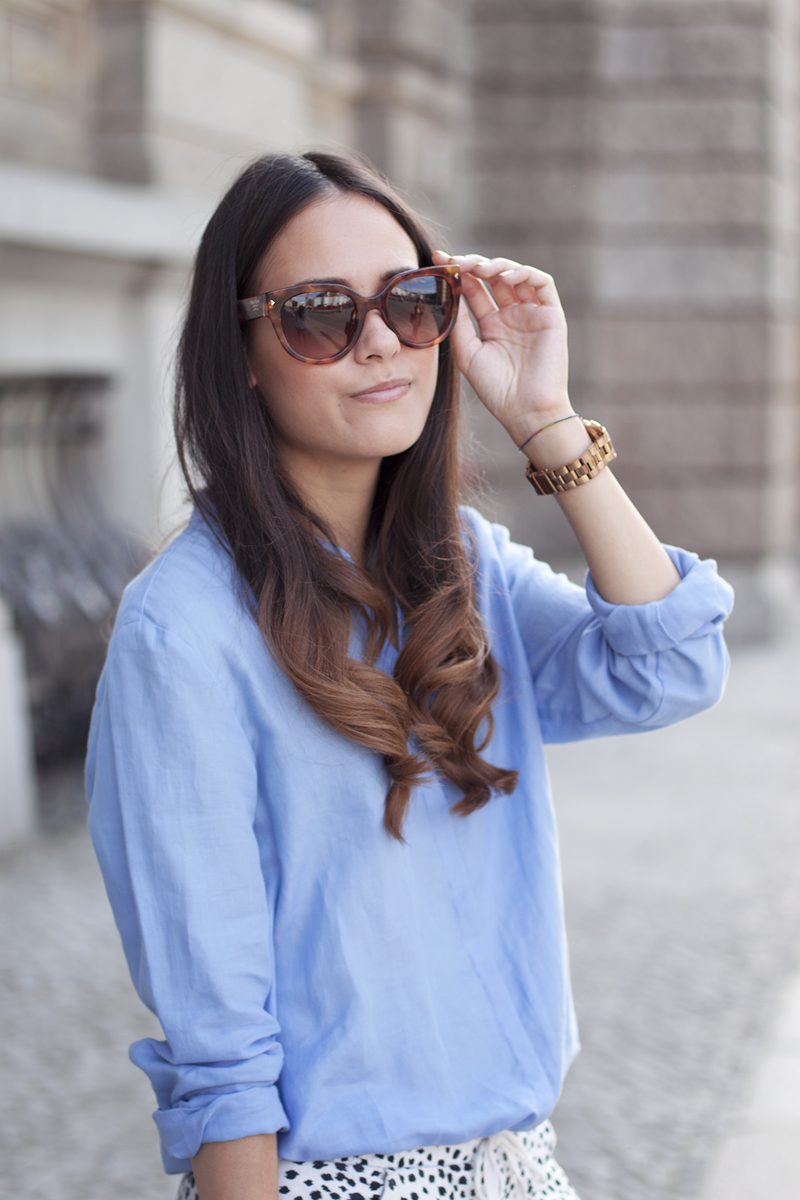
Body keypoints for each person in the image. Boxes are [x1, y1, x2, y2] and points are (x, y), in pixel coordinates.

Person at [86, 151, 733, 1200]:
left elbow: (667, 668)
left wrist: (543, 420)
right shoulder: (183, 631)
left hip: (516, 1168)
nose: (379, 341)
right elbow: (219, 1049)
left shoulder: (460, 564)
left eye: (411, 300)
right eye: (317, 314)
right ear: (242, 350)